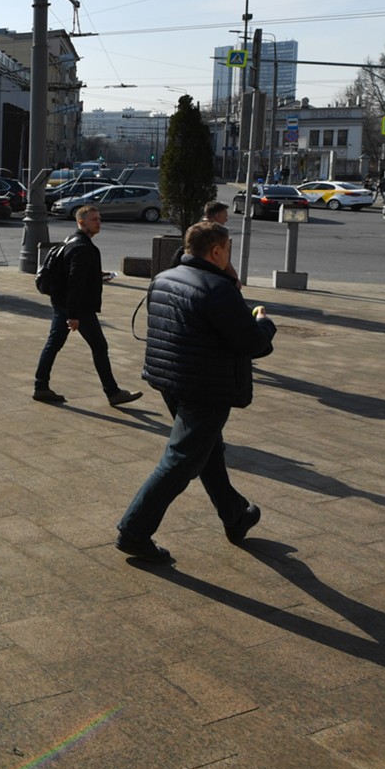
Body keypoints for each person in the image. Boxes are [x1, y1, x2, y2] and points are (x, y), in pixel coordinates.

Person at [115, 221, 276, 564]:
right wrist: (263, 321)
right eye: (228, 250)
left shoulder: (164, 278)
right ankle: (134, 531)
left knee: (207, 450)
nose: (228, 257)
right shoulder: (217, 288)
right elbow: (254, 343)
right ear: (216, 251)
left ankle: (235, 515)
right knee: (179, 461)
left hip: (170, 379)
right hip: (205, 386)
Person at [33, 205, 143, 407]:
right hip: (78, 308)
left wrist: (96, 276)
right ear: (81, 222)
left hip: (62, 303)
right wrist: (73, 315)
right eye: (94, 219)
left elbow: (73, 274)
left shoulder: (72, 241)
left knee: (54, 344)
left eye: (99, 219)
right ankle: (113, 392)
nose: (99, 222)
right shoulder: (83, 248)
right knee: (99, 347)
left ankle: (41, 386)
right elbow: (75, 282)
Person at [202, 201, 242, 288]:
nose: (226, 220)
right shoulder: (219, 234)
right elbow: (224, 261)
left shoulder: (193, 230)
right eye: (225, 216)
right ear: (217, 216)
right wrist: (235, 280)